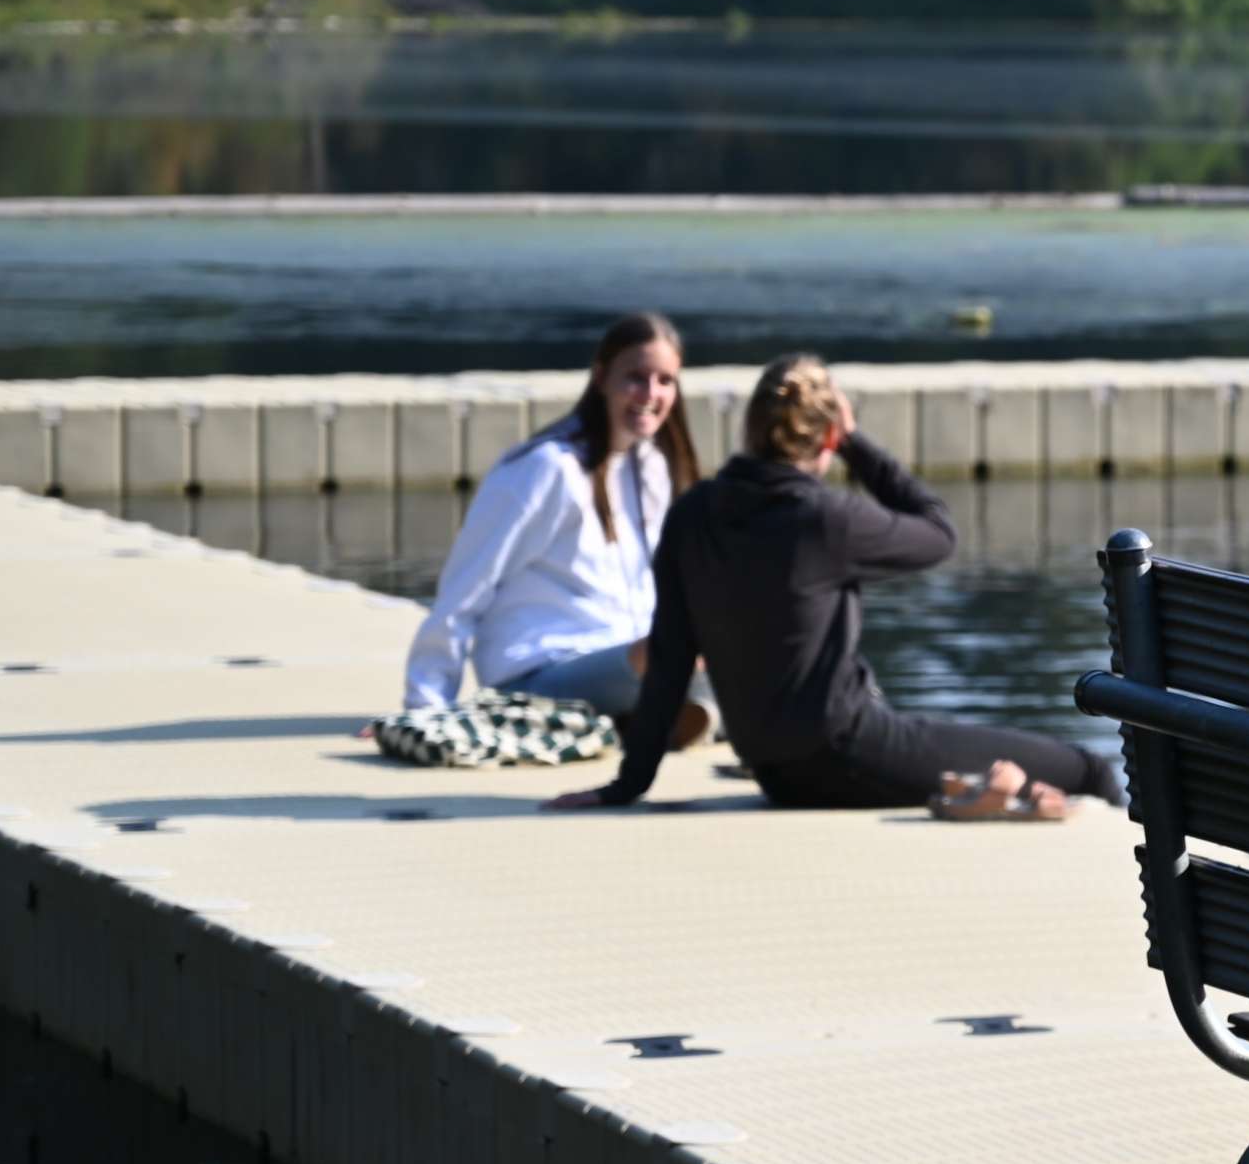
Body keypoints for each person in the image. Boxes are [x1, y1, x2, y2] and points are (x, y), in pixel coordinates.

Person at [561, 353, 1123, 818]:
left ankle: (985, 797)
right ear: (827, 435)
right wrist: (857, 445)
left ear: (750, 429)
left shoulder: (692, 515)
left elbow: (670, 661)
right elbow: (939, 532)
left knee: (950, 747)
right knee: (1089, 768)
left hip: (777, 774)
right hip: (850, 752)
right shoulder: (827, 518)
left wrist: (627, 785)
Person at [396, 313, 709, 745]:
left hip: (623, 666)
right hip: (537, 676)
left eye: (665, 381)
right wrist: (425, 707)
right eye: (635, 377)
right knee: (666, 653)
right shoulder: (546, 469)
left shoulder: (652, 469)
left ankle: (651, 719)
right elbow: (464, 590)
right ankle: (670, 718)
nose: (650, 394)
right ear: (600, 377)